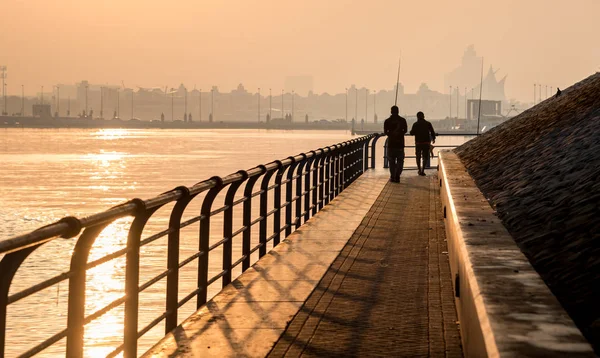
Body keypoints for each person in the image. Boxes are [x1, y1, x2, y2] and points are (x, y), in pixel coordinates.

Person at [384, 106, 408, 182]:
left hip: (391, 144)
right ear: (398, 111)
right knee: (400, 160)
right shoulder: (402, 120)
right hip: (400, 144)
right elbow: (405, 130)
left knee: (391, 161)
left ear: (391, 111)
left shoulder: (387, 121)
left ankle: (393, 176)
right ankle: (398, 175)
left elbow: (385, 132)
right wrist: (399, 133)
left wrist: (392, 134)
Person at [410, 111, 436, 176]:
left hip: (418, 143)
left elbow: (411, 133)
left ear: (417, 117)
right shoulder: (428, 123)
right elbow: (432, 132)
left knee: (418, 157)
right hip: (426, 143)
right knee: (425, 157)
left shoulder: (415, 124)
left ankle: (419, 170)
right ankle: (423, 170)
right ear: (423, 116)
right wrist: (433, 138)